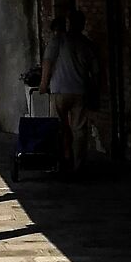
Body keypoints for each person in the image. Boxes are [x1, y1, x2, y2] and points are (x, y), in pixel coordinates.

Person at [39, 12, 87, 169]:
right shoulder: (85, 42)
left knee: (58, 126)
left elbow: (47, 63)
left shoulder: (58, 41)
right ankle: (78, 164)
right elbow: (96, 69)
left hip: (59, 90)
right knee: (79, 129)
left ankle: (62, 159)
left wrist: (43, 84)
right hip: (80, 90)